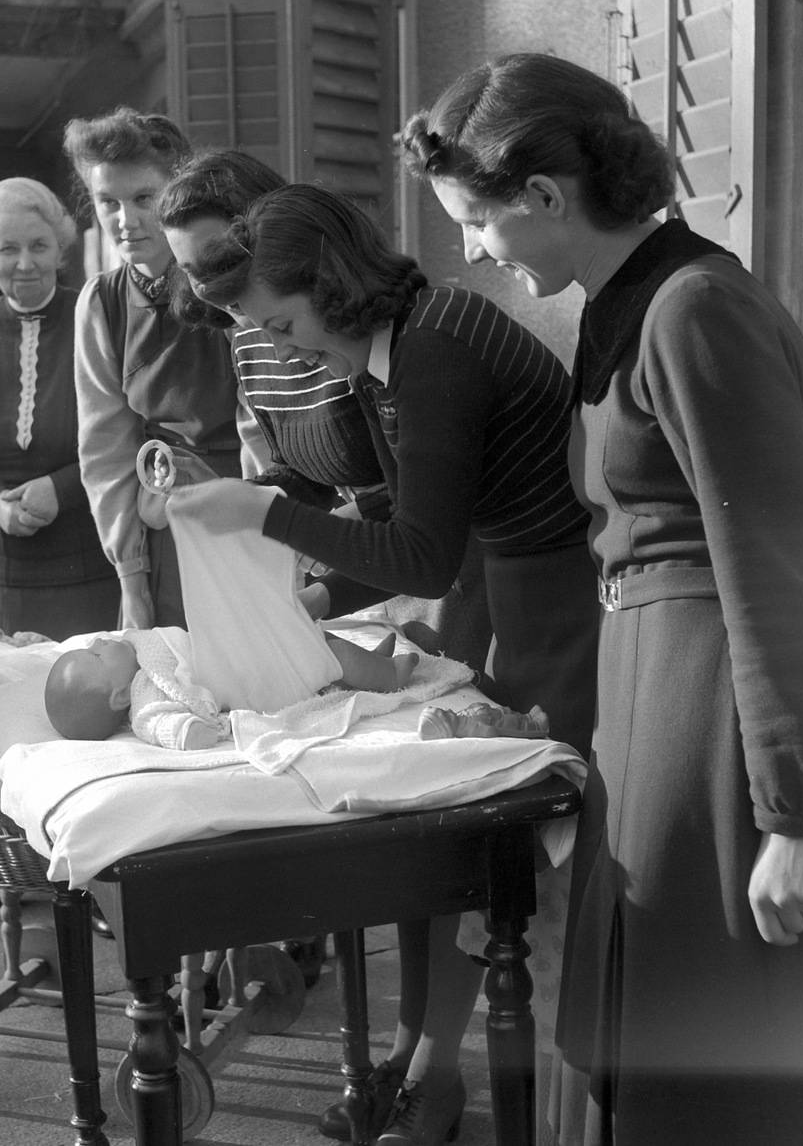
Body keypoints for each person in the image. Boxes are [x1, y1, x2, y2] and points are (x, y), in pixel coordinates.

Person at [399, 51, 803, 1146]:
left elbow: (778, 568)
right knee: (640, 1021)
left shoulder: (696, 308)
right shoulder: (631, 306)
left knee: (709, 1043)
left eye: (475, 218)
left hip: (711, 712)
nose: (470, 248)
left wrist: (794, 811)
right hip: (651, 696)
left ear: (545, 197)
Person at [173, 183, 600, 1145]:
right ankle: (422, 1067)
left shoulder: (434, 349)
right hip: (509, 590)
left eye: (282, 321)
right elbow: (407, 527)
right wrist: (315, 598)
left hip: (554, 603)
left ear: (329, 283)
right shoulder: (400, 344)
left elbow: (423, 555)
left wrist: (267, 514)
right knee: (444, 856)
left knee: (494, 864)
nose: (279, 348)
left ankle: (452, 1079)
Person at [156, 150, 493, 669]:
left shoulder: (367, 335)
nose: (205, 285)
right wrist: (236, 497)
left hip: (438, 568)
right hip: (364, 569)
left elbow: (426, 475)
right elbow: (303, 471)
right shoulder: (248, 342)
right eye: (187, 269)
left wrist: (310, 519)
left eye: (215, 258)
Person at [64, 109, 242, 630]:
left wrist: (273, 537)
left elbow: (262, 427)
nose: (125, 220)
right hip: (161, 526)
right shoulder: (102, 303)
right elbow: (104, 447)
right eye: (107, 202)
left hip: (252, 509)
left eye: (143, 198)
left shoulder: (227, 283)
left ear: (177, 189)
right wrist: (131, 576)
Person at [0, 176, 119, 639]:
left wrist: (62, 488)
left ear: (61, 250)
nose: (26, 263)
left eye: (39, 245)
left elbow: (128, 439)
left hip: (88, 569)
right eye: (8, 248)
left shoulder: (99, 322)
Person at [43, 626, 415, 749]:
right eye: (95, 657)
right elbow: (158, 722)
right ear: (119, 696)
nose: (98, 643)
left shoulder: (138, 651)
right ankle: (389, 676)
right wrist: (191, 732)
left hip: (241, 653)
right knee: (328, 657)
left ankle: (371, 664)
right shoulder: (144, 690)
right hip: (255, 680)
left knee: (307, 633)